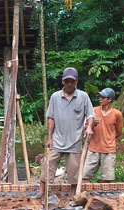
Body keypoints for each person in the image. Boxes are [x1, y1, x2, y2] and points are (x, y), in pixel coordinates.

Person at [40, 67, 95, 196]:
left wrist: (89, 127)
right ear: (62, 82)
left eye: (72, 81)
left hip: (75, 140)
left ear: (76, 81)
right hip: (57, 139)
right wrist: (49, 138)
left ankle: (73, 195)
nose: (69, 84)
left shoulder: (83, 97)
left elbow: (91, 115)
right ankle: (41, 192)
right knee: (48, 165)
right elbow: (51, 118)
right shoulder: (55, 97)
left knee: (74, 170)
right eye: (67, 81)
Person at [82, 87, 123, 185]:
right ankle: (83, 196)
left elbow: (118, 131)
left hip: (108, 150)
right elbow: (85, 127)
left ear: (109, 99)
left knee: (107, 179)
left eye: (103, 97)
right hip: (93, 148)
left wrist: (108, 138)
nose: (100, 99)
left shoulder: (117, 114)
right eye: (99, 97)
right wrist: (93, 124)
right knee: (85, 176)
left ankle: (104, 198)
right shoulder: (93, 111)